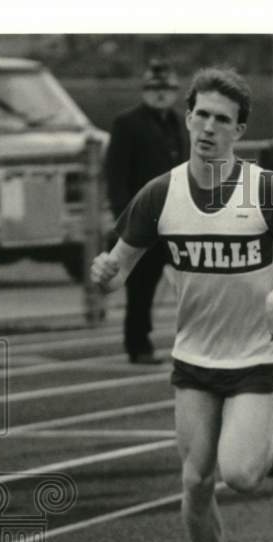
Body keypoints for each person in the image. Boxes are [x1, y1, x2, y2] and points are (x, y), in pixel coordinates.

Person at [92, 67, 273, 542]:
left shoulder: (265, 190)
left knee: (242, 476)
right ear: (188, 118)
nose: (208, 128)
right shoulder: (161, 194)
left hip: (254, 359)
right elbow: (119, 267)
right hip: (194, 360)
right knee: (196, 481)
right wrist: (105, 273)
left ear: (239, 130)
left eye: (223, 120)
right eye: (200, 115)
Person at [105, 59, 189, 365]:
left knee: (194, 281)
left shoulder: (181, 122)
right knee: (140, 287)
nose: (160, 94)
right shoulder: (126, 123)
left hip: (176, 218)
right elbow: (115, 175)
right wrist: (123, 220)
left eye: (166, 88)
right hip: (142, 220)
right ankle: (137, 344)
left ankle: (195, 344)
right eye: (154, 88)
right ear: (144, 90)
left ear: (176, 91)